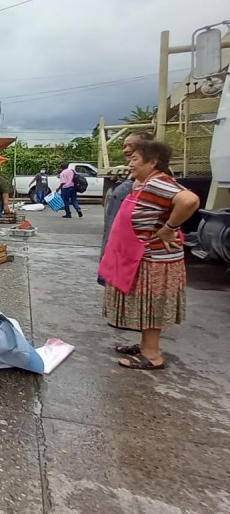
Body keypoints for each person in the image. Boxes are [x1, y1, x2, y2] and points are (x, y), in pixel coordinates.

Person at [99, 140, 199, 370]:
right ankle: (146, 345)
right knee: (144, 304)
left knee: (151, 305)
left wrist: (169, 228)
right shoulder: (145, 183)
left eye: (135, 159)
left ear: (153, 162)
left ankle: (152, 355)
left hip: (154, 260)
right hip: (140, 257)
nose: (130, 163)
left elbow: (190, 200)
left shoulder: (158, 183)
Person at [99, 131, 154, 285]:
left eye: (131, 145)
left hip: (135, 254)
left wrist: (170, 227)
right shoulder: (135, 176)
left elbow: (187, 200)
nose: (126, 150)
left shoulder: (154, 178)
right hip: (118, 248)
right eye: (125, 146)